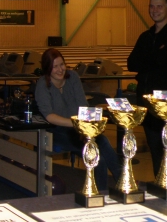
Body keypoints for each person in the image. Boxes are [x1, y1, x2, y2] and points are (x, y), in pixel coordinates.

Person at [34, 48, 120, 191]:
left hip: (78, 127)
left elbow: (83, 105)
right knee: (97, 156)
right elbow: (49, 116)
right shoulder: (42, 85)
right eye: (55, 66)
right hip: (56, 131)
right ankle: (102, 191)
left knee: (102, 141)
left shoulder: (72, 77)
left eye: (62, 64)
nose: (60, 69)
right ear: (47, 68)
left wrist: (87, 128)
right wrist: (77, 125)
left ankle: (122, 182)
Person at [127, 0, 167, 176]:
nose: (155, 10)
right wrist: (154, 56)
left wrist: (148, 59)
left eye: (159, 6)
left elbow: (164, 61)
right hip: (146, 99)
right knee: (154, 148)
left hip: (166, 101)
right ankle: (160, 184)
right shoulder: (146, 36)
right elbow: (131, 63)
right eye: (152, 6)